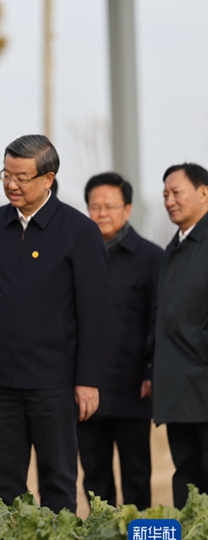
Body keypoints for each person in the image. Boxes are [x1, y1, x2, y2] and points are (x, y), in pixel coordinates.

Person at [0, 134, 108, 513]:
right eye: (6, 174)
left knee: (58, 481)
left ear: (48, 179)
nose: (12, 184)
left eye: (22, 177)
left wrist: (87, 379)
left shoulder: (80, 231)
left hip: (54, 384)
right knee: (1, 483)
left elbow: (94, 313)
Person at [78, 172, 163, 510]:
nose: (101, 213)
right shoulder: (77, 253)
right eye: (95, 206)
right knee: (94, 476)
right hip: (86, 388)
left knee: (137, 475)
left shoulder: (150, 257)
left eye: (110, 206)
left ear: (127, 209)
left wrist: (150, 370)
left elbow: (158, 318)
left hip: (133, 385)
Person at [153, 162, 208, 509]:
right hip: (178, 388)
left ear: (203, 193)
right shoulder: (173, 248)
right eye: (165, 195)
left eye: (177, 193)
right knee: (187, 479)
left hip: (202, 381)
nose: (170, 201)